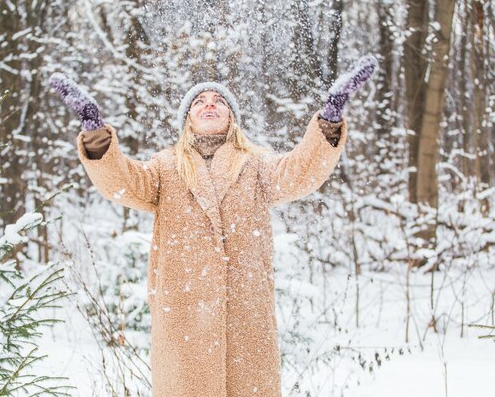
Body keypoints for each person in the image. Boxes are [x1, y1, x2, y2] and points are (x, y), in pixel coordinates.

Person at [50, 55, 377, 397]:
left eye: (219, 101)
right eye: (200, 102)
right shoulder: (164, 168)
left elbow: (301, 172)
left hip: (246, 324)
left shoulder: (256, 166)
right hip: (183, 324)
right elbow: (121, 182)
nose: (210, 105)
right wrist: (95, 132)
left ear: (232, 118)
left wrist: (329, 119)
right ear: (188, 119)